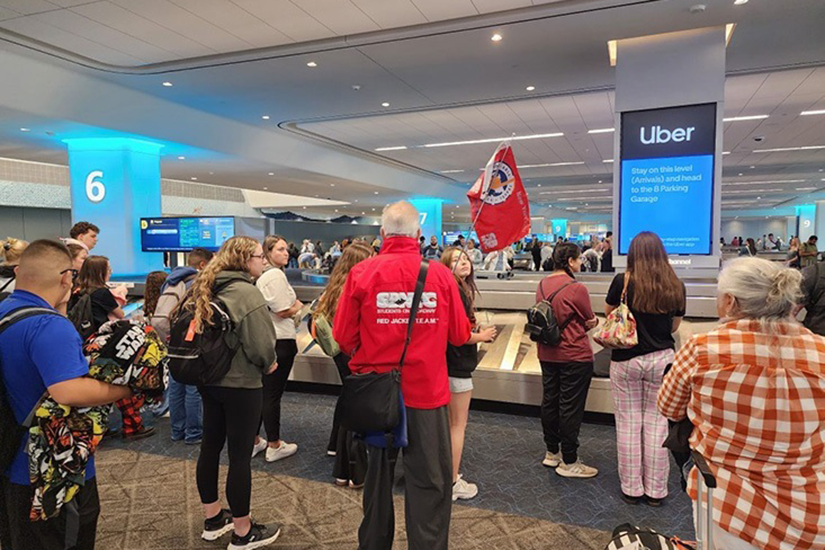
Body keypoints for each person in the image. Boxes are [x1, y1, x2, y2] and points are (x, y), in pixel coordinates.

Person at [658, 257, 825, 550]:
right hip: (808, 507)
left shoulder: (702, 349)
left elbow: (669, 407)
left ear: (731, 302)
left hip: (729, 503)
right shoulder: (820, 352)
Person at [333, 201, 472, 550]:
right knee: (430, 483)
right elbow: (459, 334)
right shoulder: (440, 275)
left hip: (377, 397)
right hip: (426, 394)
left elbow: (343, 337)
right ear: (418, 235)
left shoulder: (362, 273)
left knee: (377, 483)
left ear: (382, 233)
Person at [0, 240, 132, 550]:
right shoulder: (50, 326)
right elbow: (68, 389)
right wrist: (127, 389)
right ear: (65, 277)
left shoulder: (7, 310)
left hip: (12, 459)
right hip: (55, 471)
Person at [185, 236, 281, 549]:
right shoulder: (245, 292)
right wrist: (269, 364)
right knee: (240, 457)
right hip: (240, 383)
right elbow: (261, 345)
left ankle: (213, 518)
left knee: (210, 447)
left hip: (208, 379)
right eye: (258, 256)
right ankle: (243, 532)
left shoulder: (204, 285)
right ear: (243, 260)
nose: (262, 260)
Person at [605, 232, 686, 506]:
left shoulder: (622, 281)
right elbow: (675, 326)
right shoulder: (675, 284)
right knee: (657, 424)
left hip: (626, 358)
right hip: (662, 360)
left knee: (628, 424)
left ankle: (632, 489)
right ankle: (655, 491)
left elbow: (610, 314)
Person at [312, 241, 374, 488]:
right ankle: (351, 469)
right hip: (353, 352)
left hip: (340, 352)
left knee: (348, 398)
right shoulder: (353, 288)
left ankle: (335, 450)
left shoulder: (335, 286)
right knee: (357, 406)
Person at [536, 242, 600, 478]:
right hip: (574, 354)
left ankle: (552, 452)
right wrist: (593, 323)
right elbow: (590, 319)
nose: (581, 262)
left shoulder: (542, 284)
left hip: (546, 352)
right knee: (570, 407)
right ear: (570, 262)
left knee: (550, 401)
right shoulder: (576, 288)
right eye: (579, 259)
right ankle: (570, 461)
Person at [440, 247, 497, 501]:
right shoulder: (456, 292)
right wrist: (482, 336)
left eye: (465, 258)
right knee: (457, 425)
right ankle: (451, 483)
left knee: (448, 424)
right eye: (456, 260)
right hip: (457, 366)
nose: (464, 262)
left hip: (445, 364)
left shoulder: (454, 289)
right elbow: (458, 335)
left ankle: (444, 477)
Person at [151, 247, 213, 445]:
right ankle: (193, 432)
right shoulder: (195, 283)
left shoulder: (170, 281)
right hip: (189, 339)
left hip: (170, 339)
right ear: (203, 265)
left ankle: (177, 430)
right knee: (193, 387)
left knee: (177, 385)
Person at [254, 235, 302, 462]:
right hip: (280, 341)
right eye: (280, 249)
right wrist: (298, 306)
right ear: (268, 252)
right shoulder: (274, 276)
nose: (286, 253)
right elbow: (283, 310)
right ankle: (274, 444)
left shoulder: (267, 275)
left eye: (286, 249)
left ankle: (254, 440)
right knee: (272, 395)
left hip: (271, 340)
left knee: (264, 393)